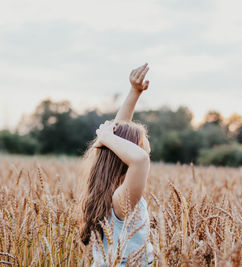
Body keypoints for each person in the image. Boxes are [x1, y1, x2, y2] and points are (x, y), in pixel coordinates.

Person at [80, 63, 154, 266]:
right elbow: (140, 160)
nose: (146, 148)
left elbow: (119, 140)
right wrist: (104, 135)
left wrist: (134, 92)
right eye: (141, 145)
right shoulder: (121, 200)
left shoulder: (107, 191)